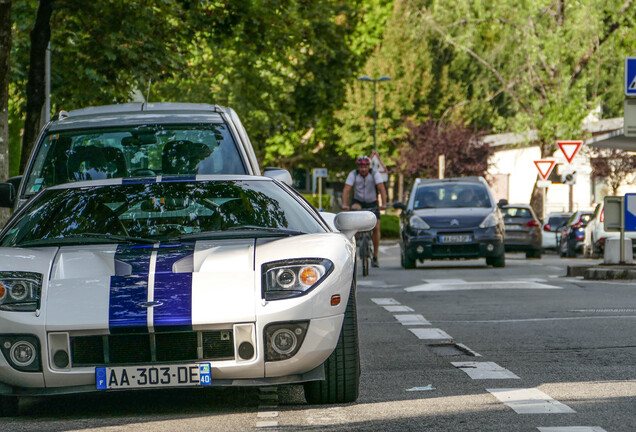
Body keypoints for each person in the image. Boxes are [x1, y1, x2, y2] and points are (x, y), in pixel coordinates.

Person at [342, 156, 387, 267]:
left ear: (369, 167)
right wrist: (345, 204)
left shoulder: (374, 174)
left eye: (365, 166)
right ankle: (357, 240)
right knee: (355, 218)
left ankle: (375, 256)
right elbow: (347, 189)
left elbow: (381, 188)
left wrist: (384, 204)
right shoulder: (353, 174)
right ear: (358, 167)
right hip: (358, 201)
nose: (363, 169)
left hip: (372, 202)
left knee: (376, 227)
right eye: (361, 167)